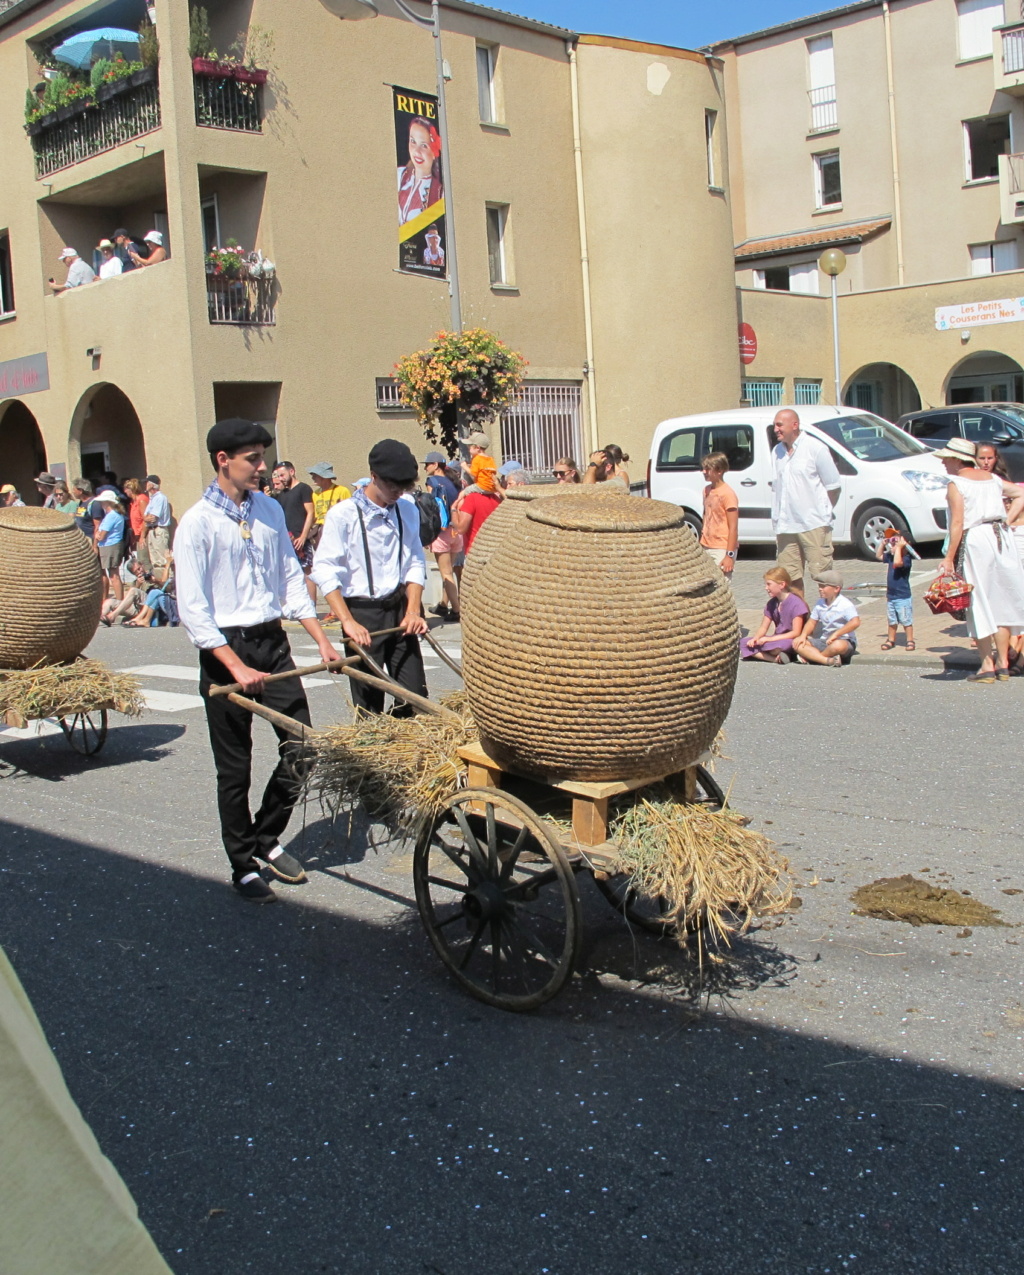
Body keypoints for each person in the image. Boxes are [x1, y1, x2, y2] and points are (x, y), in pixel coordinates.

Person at [176, 418, 341, 904]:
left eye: (263, 457)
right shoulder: (197, 524)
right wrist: (235, 666)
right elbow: (194, 611)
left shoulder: (268, 508)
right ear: (224, 461)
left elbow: (291, 582)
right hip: (225, 649)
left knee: (303, 747)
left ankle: (265, 836)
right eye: (253, 459)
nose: (263, 467)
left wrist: (322, 640)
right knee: (236, 769)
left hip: (271, 643)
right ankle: (242, 863)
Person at [312, 439, 429, 717]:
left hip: (400, 609)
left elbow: (414, 560)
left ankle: (409, 750)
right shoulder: (343, 515)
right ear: (374, 476)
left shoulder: (407, 509)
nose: (397, 493)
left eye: (403, 487)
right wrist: (347, 621)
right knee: (369, 705)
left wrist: (413, 610)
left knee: (415, 698)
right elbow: (325, 569)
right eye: (392, 486)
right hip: (362, 614)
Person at [935, 437, 1024, 683]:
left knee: (978, 600)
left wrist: (949, 557)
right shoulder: (993, 479)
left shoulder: (957, 483)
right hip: (1001, 538)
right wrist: (1006, 520)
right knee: (1002, 599)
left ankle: (987, 664)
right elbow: (1021, 493)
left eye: (945, 458)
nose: (943, 462)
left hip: (978, 539)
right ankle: (1003, 662)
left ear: (956, 458)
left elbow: (957, 524)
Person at [770, 408, 842, 596]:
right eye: (774, 425)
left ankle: (830, 620)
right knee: (790, 579)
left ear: (795, 425)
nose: (775, 429)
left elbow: (833, 486)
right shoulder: (777, 452)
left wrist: (822, 511)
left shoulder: (815, 448)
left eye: (779, 425)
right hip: (786, 526)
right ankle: (799, 622)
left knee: (823, 578)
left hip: (813, 524)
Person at [422, 451, 462, 620]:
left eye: (427, 464)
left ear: (436, 465)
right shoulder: (455, 482)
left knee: (445, 573)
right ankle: (444, 605)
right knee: (450, 571)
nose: (425, 467)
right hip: (456, 530)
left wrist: (428, 534)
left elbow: (432, 508)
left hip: (442, 531)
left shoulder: (432, 481)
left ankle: (457, 611)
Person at [792, 570, 861, 666]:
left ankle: (814, 658)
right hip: (824, 640)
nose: (820, 589)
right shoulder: (820, 603)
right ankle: (827, 660)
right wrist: (803, 636)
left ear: (836, 589)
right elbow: (812, 622)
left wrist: (837, 634)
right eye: (819, 586)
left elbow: (855, 622)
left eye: (823, 586)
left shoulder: (845, 604)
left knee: (837, 646)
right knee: (798, 644)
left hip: (844, 640)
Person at [740, 567, 808, 662]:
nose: (766, 588)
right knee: (743, 642)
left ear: (782, 585)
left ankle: (782, 654)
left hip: (789, 639)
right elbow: (763, 628)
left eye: (769, 584)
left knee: (784, 645)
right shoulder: (771, 603)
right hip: (776, 639)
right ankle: (775, 659)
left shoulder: (796, 603)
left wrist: (769, 640)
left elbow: (796, 632)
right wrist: (756, 638)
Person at [271, 461, 316, 602]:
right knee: (288, 573)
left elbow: (310, 512)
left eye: (283, 475)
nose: (281, 478)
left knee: (306, 572)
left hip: (300, 538)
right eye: (278, 476)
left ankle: (311, 607)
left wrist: (303, 536)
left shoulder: (303, 488)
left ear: (292, 472)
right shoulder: (281, 494)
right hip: (286, 539)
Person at [876, 528, 917, 651]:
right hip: (891, 596)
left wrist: (899, 548)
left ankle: (910, 640)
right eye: (891, 543)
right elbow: (878, 555)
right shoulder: (890, 556)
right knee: (892, 620)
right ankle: (891, 640)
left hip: (903, 596)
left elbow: (898, 563)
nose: (892, 546)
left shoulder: (906, 559)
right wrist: (882, 544)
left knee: (906, 620)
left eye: (895, 543)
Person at [699, 451, 739, 577]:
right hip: (706, 545)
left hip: (721, 547)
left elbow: (733, 528)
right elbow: (706, 517)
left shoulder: (727, 494)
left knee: (721, 586)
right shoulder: (707, 490)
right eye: (703, 468)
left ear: (719, 471)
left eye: (707, 469)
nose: (704, 472)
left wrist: (729, 555)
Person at [397, 116, 443, 225]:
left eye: (424, 145)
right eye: (413, 141)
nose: (416, 151)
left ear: (434, 152)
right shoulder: (399, 176)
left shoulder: (440, 192)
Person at [452, 455, 501, 553]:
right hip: (494, 550)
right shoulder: (497, 498)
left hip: (475, 551)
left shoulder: (471, 499)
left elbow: (461, 529)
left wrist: (453, 509)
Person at [94, 489, 127, 603]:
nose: (101, 504)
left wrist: (98, 534)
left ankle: (119, 601)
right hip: (109, 545)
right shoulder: (113, 515)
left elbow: (101, 535)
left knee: (114, 575)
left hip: (110, 546)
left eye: (103, 502)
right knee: (113, 574)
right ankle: (119, 600)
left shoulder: (111, 516)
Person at [307, 463, 351, 543]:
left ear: (324, 477)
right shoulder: (315, 494)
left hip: (336, 530)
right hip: (319, 532)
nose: (313, 478)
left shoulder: (341, 491)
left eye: (315, 475)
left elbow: (350, 513)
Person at [143, 475, 172, 580]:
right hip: (152, 531)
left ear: (151, 484)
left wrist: (146, 518)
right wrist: (146, 518)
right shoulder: (152, 499)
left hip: (159, 530)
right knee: (155, 561)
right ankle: (160, 583)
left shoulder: (160, 498)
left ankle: (168, 584)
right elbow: (145, 516)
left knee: (162, 560)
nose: (145, 485)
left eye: (146, 483)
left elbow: (152, 518)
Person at [122, 477, 149, 563]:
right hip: (137, 535)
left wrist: (142, 537)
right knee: (140, 559)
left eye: (126, 489)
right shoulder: (133, 502)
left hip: (144, 535)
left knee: (143, 560)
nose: (125, 491)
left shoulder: (141, 500)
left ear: (131, 489)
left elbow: (145, 519)